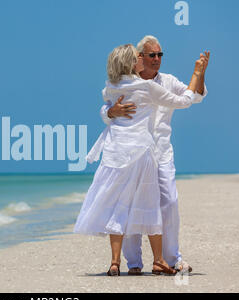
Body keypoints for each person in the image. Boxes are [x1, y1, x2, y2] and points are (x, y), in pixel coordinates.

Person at [73, 43, 206, 276]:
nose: (153, 59)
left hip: (129, 152)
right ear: (135, 60)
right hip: (142, 151)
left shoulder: (113, 85)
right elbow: (185, 100)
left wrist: (199, 76)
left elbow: (105, 105)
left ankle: (131, 261)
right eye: (145, 56)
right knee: (148, 204)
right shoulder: (144, 86)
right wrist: (196, 73)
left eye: (158, 54)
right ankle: (149, 261)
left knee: (135, 204)